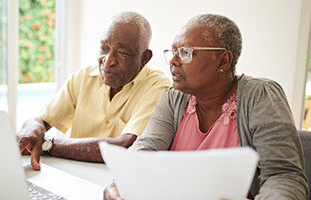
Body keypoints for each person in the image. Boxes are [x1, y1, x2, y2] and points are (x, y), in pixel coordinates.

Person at [103, 14, 308, 200]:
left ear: (223, 60)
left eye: (185, 53)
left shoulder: (260, 96)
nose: (173, 61)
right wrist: (117, 186)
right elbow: (144, 150)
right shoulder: (174, 98)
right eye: (173, 52)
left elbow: (284, 177)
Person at [17, 11, 170, 170]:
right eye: (104, 48)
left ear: (145, 58)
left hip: (115, 182)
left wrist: (48, 145)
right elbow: (41, 120)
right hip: (71, 174)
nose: (108, 61)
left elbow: (125, 145)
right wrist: (33, 131)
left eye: (122, 52)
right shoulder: (84, 77)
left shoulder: (159, 87)